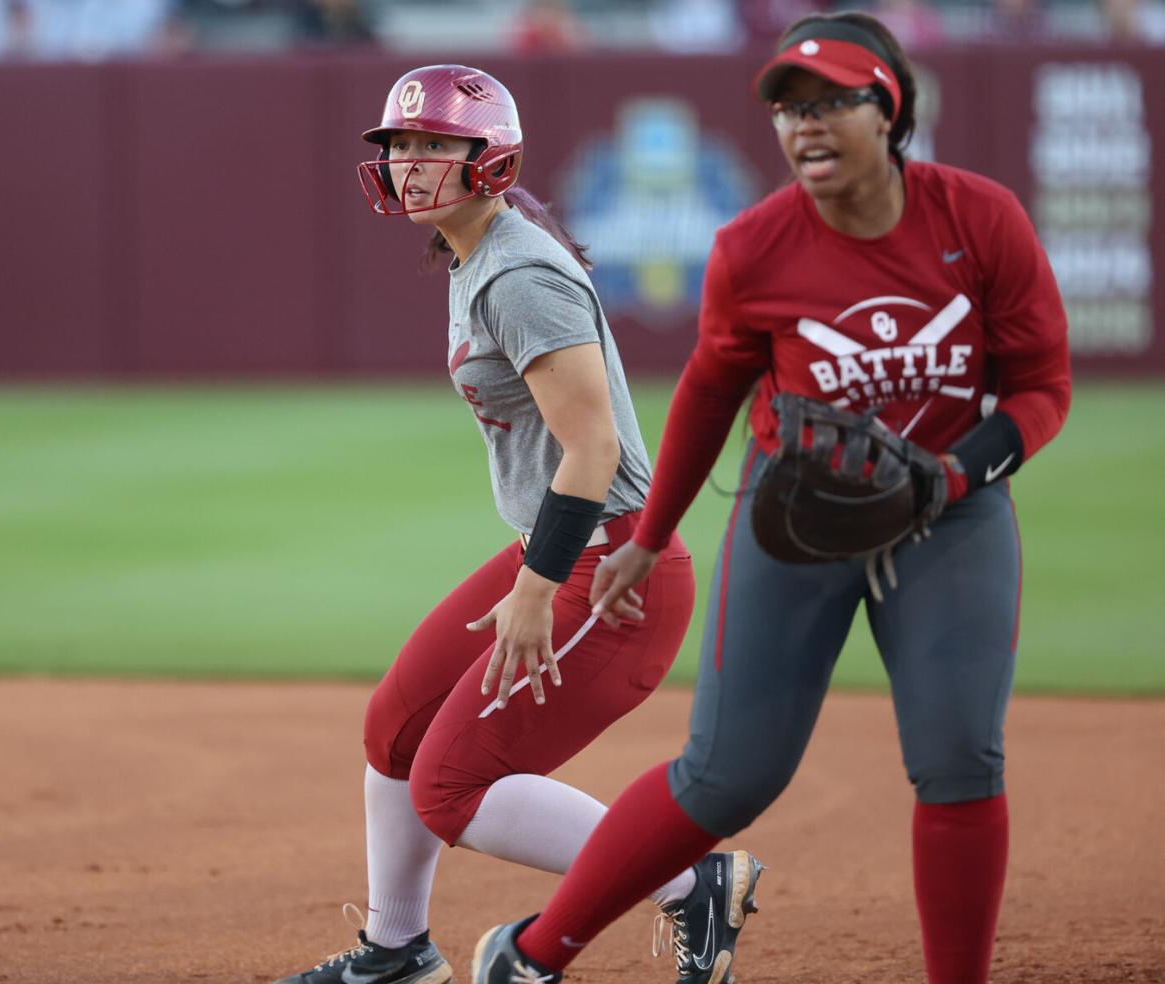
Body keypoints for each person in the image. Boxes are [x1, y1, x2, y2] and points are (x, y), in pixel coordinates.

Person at [470, 12, 1071, 984]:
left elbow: (1044, 386)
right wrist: (647, 536)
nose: (807, 125)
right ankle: (530, 957)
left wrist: (956, 476)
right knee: (727, 776)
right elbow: (710, 392)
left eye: (835, 101)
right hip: (797, 521)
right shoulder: (756, 246)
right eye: (791, 107)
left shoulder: (980, 218)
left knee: (960, 760)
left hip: (950, 518)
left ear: (893, 109)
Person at [272, 64, 762, 984]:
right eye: (399, 145)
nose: (409, 163)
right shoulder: (476, 254)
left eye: (433, 146)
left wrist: (538, 591)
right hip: (564, 549)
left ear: (487, 160)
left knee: (450, 789)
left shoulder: (520, 272)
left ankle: (690, 882)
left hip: (611, 574)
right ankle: (395, 953)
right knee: (394, 730)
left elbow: (593, 451)